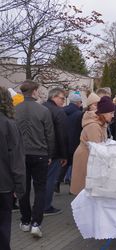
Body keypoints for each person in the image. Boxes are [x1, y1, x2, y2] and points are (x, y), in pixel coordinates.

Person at [16, 80, 55, 238]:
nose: (39, 93)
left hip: (21, 155)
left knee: (23, 188)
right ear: (33, 92)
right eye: (38, 91)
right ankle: (36, 223)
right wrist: (50, 154)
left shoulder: (14, 110)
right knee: (40, 189)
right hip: (40, 154)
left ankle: (25, 221)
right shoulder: (43, 110)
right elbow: (49, 135)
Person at [70, 96, 115, 195]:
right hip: (85, 157)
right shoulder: (94, 126)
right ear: (103, 113)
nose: (113, 116)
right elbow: (97, 148)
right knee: (83, 191)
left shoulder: (101, 123)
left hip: (89, 157)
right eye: (111, 113)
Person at [0, 86, 26, 250]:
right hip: (4, 185)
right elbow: (16, 160)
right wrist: (19, 187)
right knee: (3, 225)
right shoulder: (9, 125)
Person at [43, 88, 68, 215]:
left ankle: (38, 205)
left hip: (38, 151)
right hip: (54, 153)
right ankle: (46, 207)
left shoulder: (41, 108)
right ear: (54, 97)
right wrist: (64, 155)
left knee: (39, 180)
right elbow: (62, 135)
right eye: (62, 98)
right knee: (49, 180)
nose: (63, 101)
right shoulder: (58, 112)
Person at [55, 92, 83, 193]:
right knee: (75, 166)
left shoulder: (61, 111)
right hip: (75, 141)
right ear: (78, 103)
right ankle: (73, 187)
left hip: (62, 141)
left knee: (64, 163)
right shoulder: (79, 114)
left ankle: (57, 182)